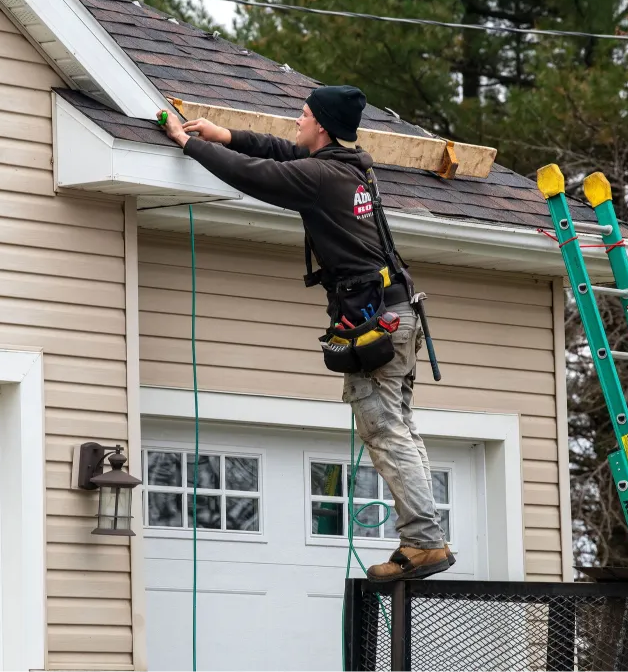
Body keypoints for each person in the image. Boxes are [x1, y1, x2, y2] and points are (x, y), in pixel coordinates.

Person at [158, 85, 453, 582]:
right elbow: (279, 152)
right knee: (399, 425)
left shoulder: (321, 175)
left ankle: (424, 542)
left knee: (384, 428)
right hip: (396, 310)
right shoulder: (351, 165)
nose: (296, 122)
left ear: (321, 125)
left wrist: (191, 144)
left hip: (377, 318)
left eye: (302, 115)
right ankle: (424, 538)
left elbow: (257, 175)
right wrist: (224, 133)